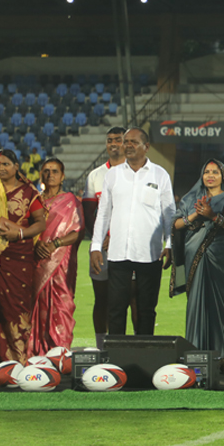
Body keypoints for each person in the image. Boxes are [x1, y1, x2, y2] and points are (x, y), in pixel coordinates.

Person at [90, 128, 176, 336]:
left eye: (133, 142)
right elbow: (103, 213)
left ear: (146, 147)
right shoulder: (113, 175)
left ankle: (144, 353)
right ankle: (116, 354)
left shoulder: (160, 174)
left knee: (147, 310)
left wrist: (170, 244)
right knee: (116, 309)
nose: (128, 145)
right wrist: (95, 246)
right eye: (126, 141)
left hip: (150, 254)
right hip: (118, 253)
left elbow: (169, 213)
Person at [0, 149, 46, 374]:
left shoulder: (28, 192)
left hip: (18, 257)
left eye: (6, 164)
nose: (1, 168)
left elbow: (40, 223)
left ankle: (18, 358)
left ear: (16, 167)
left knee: (16, 308)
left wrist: (20, 234)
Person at [172, 159, 224, 373]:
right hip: (194, 257)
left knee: (220, 308)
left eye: (215, 172)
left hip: (221, 257)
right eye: (207, 172)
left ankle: (219, 358)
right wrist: (195, 215)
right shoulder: (191, 198)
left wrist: (213, 216)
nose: (210, 175)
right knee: (195, 306)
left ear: (223, 176)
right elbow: (176, 224)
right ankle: (194, 357)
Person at [28, 158, 84, 355]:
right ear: (41, 175)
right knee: (35, 307)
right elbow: (26, 228)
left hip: (61, 265)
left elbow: (77, 231)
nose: (50, 174)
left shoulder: (71, 201)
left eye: (54, 171)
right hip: (36, 262)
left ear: (62, 176)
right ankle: (35, 352)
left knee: (61, 307)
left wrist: (55, 244)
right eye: (46, 171)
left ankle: (59, 353)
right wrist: (36, 244)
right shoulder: (34, 201)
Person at [83, 127, 130, 348]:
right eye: (110, 140)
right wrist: (100, 238)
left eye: (118, 140)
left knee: (130, 299)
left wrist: (117, 236)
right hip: (101, 248)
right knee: (101, 298)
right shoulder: (95, 175)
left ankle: (132, 345)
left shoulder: (135, 173)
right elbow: (88, 213)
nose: (113, 144)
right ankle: (102, 346)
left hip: (128, 247)